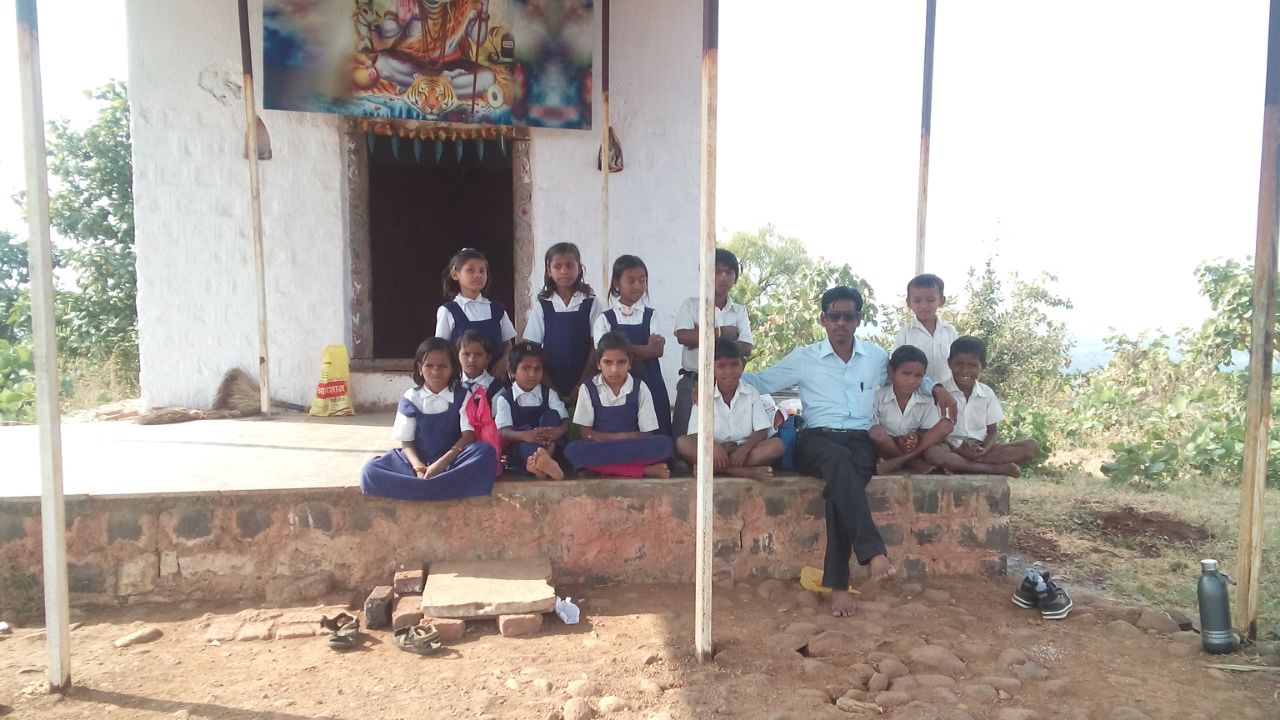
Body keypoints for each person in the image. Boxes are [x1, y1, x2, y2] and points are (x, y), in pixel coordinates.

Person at [744, 286, 957, 618]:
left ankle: (839, 586)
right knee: (841, 466)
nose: (841, 322)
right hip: (815, 440)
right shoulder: (805, 357)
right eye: (834, 315)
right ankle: (872, 553)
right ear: (823, 319)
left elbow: (906, 372)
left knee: (841, 489)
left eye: (848, 315)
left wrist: (939, 388)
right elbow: (759, 382)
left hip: (858, 439)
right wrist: (711, 382)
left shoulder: (873, 357)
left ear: (858, 319)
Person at [360, 338, 499, 501]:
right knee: (370, 471)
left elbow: (467, 435)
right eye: (429, 366)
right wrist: (419, 468)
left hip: (453, 459)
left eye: (443, 366)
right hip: (417, 460)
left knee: (485, 452)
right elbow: (406, 442)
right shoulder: (411, 397)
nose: (435, 372)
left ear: (453, 369)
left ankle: (420, 489)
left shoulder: (463, 396)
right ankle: (441, 488)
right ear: (420, 368)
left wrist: (440, 464)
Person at [924, 336, 1040, 477]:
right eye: (959, 364)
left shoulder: (986, 393)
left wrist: (983, 450)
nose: (965, 370)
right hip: (950, 447)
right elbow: (933, 433)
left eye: (973, 365)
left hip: (980, 448)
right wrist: (958, 450)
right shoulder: (941, 393)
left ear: (983, 366)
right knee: (933, 453)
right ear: (949, 363)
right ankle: (991, 469)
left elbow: (992, 432)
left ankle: (962, 465)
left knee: (1030, 446)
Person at [564, 332, 674, 478]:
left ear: (629, 363)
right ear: (598, 363)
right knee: (573, 450)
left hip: (631, 447)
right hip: (602, 446)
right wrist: (618, 437)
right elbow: (586, 433)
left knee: (664, 444)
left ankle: (601, 468)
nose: (614, 369)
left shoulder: (640, 387)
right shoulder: (588, 388)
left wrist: (626, 439)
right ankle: (642, 471)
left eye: (621, 362)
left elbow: (647, 433)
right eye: (608, 362)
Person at [673, 248, 754, 440]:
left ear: (735, 277)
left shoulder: (739, 311)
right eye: (717, 272)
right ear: (706, 274)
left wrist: (701, 336)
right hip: (693, 380)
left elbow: (746, 347)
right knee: (683, 437)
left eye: (729, 272)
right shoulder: (692, 305)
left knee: (725, 438)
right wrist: (723, 333)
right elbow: (683, 337)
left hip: (726, 383)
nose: (723, 277)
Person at [676, 338, 783, 481]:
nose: (728, 372)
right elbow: (695, 433)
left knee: (777, 446)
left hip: (743, 450)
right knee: (682, 444)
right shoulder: (703, 394)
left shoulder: (751, 393)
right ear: (711, 367)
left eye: (734, 365)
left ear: (743, 365)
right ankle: (743, 472)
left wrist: (745, 450)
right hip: (713, 450)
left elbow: (762, 430)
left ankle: (716, 469)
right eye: (721, 366)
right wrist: (713, 446)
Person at [594, 254, 672, 436]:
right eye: (631, 280)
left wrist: (620, 346)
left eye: (642, 280)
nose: (638, 285)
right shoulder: (605, 318)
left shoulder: (651, 315)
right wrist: (645, 348)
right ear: (616, 283)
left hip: (650, 379)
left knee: (655, 426)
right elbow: (604, 352)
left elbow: (657, 350)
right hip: (618, 381)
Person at [521, 242, 602, 400]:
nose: (564, 271)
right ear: (549, 271)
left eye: (570, 266)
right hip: (551, 378)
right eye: (557, 266)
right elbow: (532, 347)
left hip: (586, 376)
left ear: (579, 268)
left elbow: (597, 346)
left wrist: (582, 384)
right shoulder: (543, 304)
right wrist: (549, 386)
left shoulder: (590, 302)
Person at [870, 345, 954, 475]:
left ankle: (900, 460)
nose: (912, 381)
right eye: (906, 374)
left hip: (915, 446)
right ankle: (913, 462)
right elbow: (874, 432)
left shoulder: (926, 400)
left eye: (918, 376)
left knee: (946, 426)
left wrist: (914, 438)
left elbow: (927, 433)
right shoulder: (878, 398)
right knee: (875, 432)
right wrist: (898, 439)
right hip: (888, 446)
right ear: (892, 372)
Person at [494, 341, 570, 480]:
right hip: (524, 445)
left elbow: (565, 419)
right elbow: (503, 431)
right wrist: (525, 435)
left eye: (537, 369)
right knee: (524, 447)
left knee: (552, 415)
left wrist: (557, 431)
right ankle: (540, 464)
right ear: (512, 371)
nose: (532, 374)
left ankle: (544, 459)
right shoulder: (505, 398)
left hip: (549, 441)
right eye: (526, 368)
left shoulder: (549, 394)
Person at [435, 248, 516, 377]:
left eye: (482, 271)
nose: (477, 275)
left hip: (496, 382)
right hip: (461, 383)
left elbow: (507, 344)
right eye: (470, 270)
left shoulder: (497, 309)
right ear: (455, 274)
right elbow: (441, 350)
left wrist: (504, 361)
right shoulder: (448, 311)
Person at [892, 273, 958, 385]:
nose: (923, 305)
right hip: (916, 396)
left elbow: (958, 362)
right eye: (917, 301)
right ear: (908, 303)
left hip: (948, 395)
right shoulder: (905, 335)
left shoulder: (950, 332)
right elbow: (896, 368)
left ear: (941, 301)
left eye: (930, 300)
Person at [456, 330, 506, 401]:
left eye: (478, 354)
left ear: (488, 358)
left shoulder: (497, 388)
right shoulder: (451, 385)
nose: (471, 360)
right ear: (458, 355)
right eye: (466, 354)